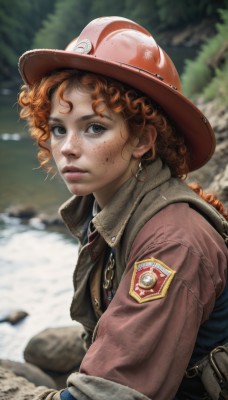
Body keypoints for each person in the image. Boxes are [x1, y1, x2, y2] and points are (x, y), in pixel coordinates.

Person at [18, 16, 228, 400]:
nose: (67, 148)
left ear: (143, 139)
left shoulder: (173, 242)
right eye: (58, 128)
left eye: (94, 127)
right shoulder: (105, 209)